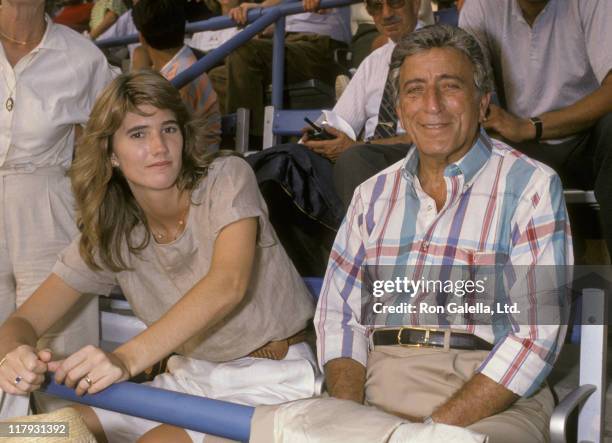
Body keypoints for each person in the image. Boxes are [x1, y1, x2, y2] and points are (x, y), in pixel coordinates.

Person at [0, 70, 318, 443]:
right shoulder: (112, 231)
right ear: (110, 153)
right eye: (138, 134)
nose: (159, 146)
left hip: (272, 379)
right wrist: (13, 355)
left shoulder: (226, 176)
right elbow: (23, 320)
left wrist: (124, 359)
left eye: (168, 129)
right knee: (33, 435)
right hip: (188, 378)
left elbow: (227, 285)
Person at [315, 25, 572, 443]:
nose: (431, 105)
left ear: (482, 101)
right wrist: (347, 414)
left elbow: (535, 336)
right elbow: (338, 316)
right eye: (414, 90)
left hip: (489, 394)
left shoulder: (532, 187)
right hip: (375, 384)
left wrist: (430, 431)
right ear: (399, 109)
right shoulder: (371, 195)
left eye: (449, 86)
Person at [0, 0, 116, 418]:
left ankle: (56, 435)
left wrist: (95, 213)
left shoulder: (82, 56)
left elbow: (110, 138)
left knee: (59, 356)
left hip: (49, 200)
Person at [459, 0, 612, 260]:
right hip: (517, 145)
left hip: (587, 138)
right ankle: (477, 286)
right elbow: (466, 84)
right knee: (464, 137)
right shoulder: (480, 7)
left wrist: (530, 127)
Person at [302, 0, 421, 208]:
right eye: (375, 7)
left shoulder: (440, 52)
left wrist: (357, 146)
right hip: (367, 155)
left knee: (353, 158)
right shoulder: (374, 61)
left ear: (416, 3)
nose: (386, 14)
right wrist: (318, 137)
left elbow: (429, 134)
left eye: (395, 2)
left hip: (417, 155)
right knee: (291, 158)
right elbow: (340, 120)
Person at [208, 0, 351, 142]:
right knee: (217, 76)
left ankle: (250, 143)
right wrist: (261, 8)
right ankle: (228, 144)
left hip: (321, 47)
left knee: (243, 50)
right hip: (286, 41)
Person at [132, 0, 222, 151]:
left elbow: (140, 124)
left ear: (141, 37)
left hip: (195, 165)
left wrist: (138, 74)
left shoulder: (183, 74)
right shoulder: (183, 64)